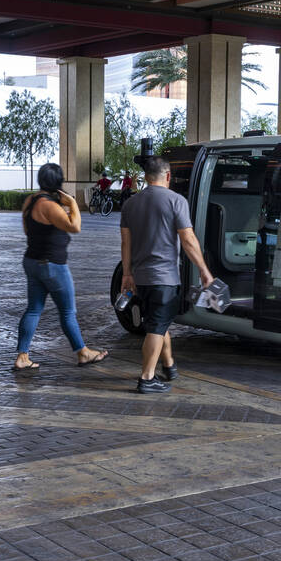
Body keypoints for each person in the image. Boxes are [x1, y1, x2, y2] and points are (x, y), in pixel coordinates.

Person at [119, 156, 214, 394]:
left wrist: (127, 274)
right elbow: (188, 239)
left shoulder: (131, 204)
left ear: (145, 177)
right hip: (165, 277)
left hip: (141, 277)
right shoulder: (176, 201)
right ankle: (147, 378)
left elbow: (125, 244)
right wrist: (203, 270)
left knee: (158, 323)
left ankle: (169, 365)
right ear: (168, 176)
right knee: (156, 327)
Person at [13, 163, 108, 371]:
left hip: (32, 261)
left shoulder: (30, 201)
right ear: (57, 181)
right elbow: (75, 227)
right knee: (67, 311)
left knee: (33, 309)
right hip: (52, 265)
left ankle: (22, 356)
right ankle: (83, 353)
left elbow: (27, 229)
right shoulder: (49, 205)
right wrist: (73, 203)